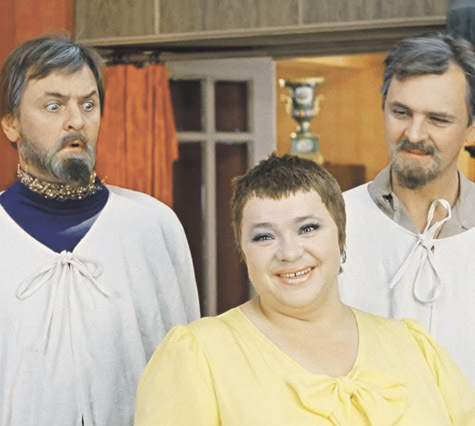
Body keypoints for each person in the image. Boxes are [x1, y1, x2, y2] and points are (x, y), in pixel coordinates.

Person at [134, 153, 475, 425]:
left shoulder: (415, 346)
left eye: (308, 228)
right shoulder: (198, 356)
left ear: (340, 237)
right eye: (264, 236)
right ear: (243, 251)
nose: (289, 252)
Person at [0, 35, 200, 426]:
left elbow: (187, 371)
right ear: (11, 124)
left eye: (88, 104)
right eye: (54, 105)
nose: (76, 120)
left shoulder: (153, 227)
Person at [338, 32, 475, 386]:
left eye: (437, 119)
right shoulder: (331, 223)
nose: (414, 134)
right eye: (401, 112)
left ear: (471, 130)